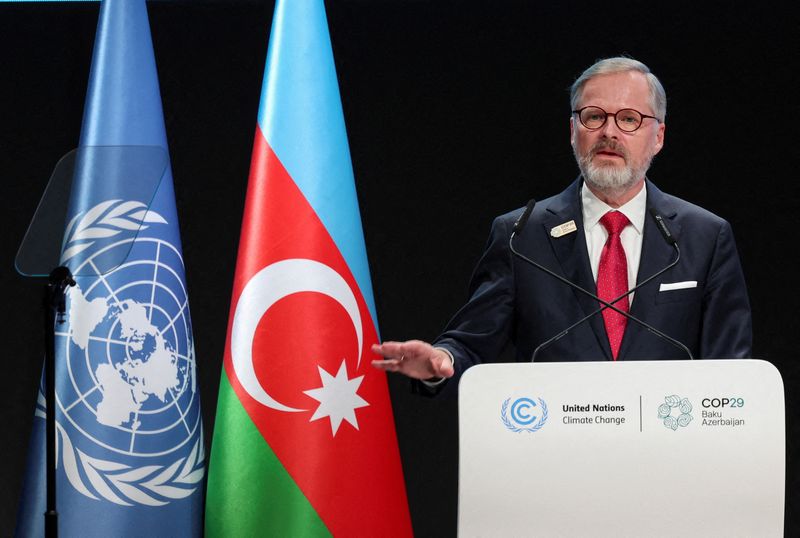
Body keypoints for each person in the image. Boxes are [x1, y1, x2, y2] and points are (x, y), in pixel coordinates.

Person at [371, 57, 752, 396]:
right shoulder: (521, 235)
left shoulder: (705, 235)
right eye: (593, 116)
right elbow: (469, 346)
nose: (610, 132)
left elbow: (732, 373)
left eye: (629, 119)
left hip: (669, 457)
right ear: (573, 131)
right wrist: (440, 361)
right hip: (553, 460)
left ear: (659, 137)